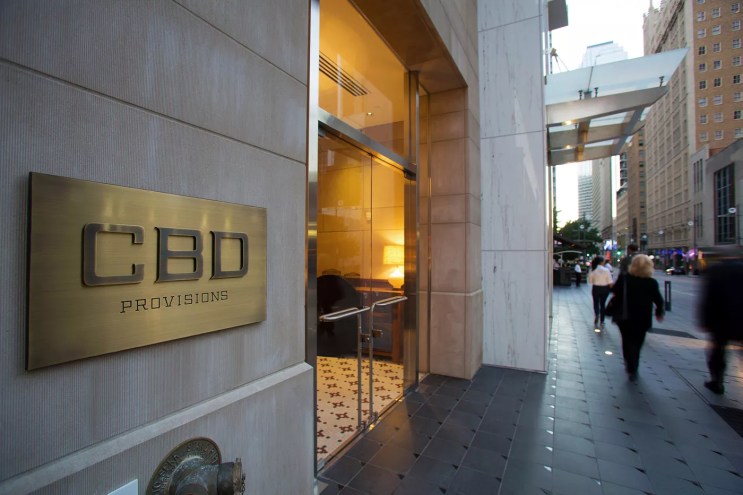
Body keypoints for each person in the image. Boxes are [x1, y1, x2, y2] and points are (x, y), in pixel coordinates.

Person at [610, 254, 664, 381]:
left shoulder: (625, 278)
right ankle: (634, 364)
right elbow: (659, 300)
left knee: (626, 340)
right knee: (638, 342)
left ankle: (630, 363)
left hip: (625, 316)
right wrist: (659, 312)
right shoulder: (651, 283)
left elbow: (615, 291)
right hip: (642, 318)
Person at [697, 253, 743, 394]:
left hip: (720, 320)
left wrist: (704, 320)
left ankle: (717, 381)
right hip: (740, 318)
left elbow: (708, 297)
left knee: (718, 351)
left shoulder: (716, 270)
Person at [588, 256, 613, 327]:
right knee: (603, 304)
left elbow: (590, 281)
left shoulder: (593, 270)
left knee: (596, 303)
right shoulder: (606, 270)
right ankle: (602, 320)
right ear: (602, 262)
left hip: (596, 288)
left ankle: (597, 314)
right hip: (605, 288)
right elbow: (610, 281)